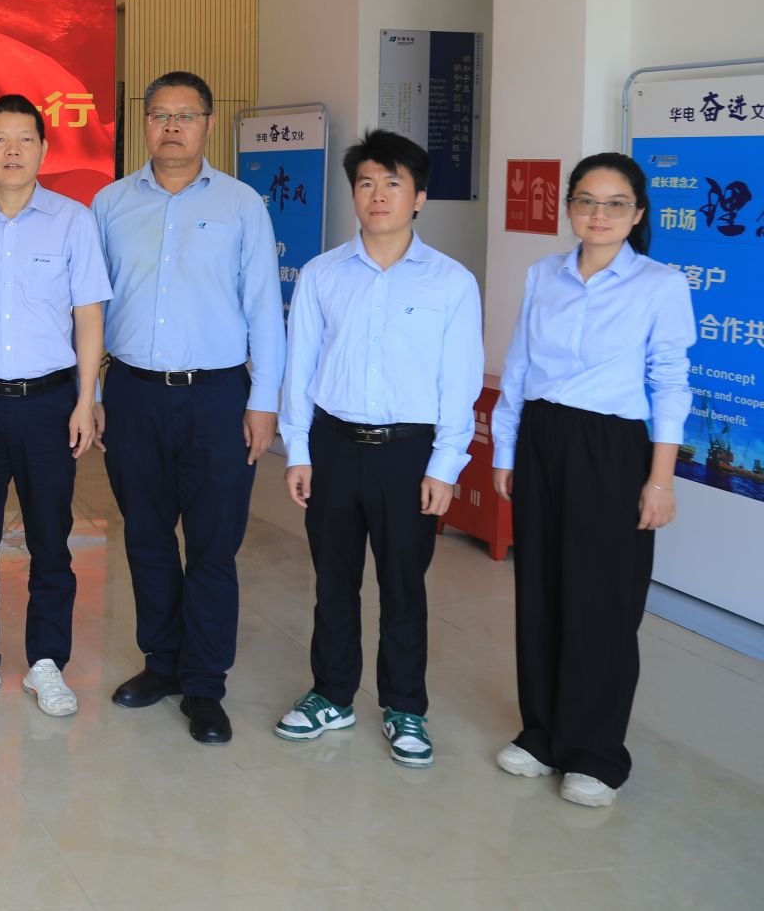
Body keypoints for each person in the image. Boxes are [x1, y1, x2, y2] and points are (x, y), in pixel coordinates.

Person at [490, 152, 695, 808]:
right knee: (541, 588)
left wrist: (660, 479)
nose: (598, 214)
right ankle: (542, 733)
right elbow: (519, 366)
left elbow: (670, 383)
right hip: (543, 435)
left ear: (637, 214)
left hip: (612, 447)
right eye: (585, 200)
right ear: (570, 207)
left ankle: (596, 752)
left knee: (603, 600)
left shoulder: (660, 284)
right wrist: (505, 451)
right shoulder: (543, 274)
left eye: (614, 203)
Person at [273, 130, 482, 768]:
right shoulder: (322, 274)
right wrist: (298, 450)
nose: (378, 195)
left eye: (394, 183)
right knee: (333, 580)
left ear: (419, 197)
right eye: (366, 183)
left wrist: (445, 466)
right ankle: (332, 694)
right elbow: (300, 367)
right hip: (333, 445)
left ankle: (404, 706)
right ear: (354, 194)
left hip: (408, 454)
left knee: (403, 585)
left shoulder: (450, 282)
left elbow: (460, 381)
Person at [94, 71, 283, 745]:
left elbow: (265, 306)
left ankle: (204, 683)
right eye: (160, 115)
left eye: (186, 115)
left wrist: (264, 401)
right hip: (134, 392)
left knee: (212, 544)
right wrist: (92, 396)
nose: (172, 126)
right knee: (145, 537)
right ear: (144, 123)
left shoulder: (241, 204)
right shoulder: (110, 203)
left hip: (217, 396)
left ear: (207, 123)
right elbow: (89, 307)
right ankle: (162, 663)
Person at [0, 94, 108, 717]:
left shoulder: (72, 221)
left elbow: (88, 316)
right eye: (0, 139)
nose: (12, 151)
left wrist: (86, 399)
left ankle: (47, 661)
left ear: (43, 148)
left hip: (49, 403)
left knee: (51, 538)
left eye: (25, 139)